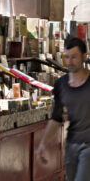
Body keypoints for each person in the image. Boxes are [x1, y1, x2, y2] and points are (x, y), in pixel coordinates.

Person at [37, 37, 90, 181]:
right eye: (67, 57)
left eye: (74, 57)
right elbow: (56, 117)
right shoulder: (61, 85)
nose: (70, 62)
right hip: (71, 144)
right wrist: (43, 143)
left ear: (84, 57)